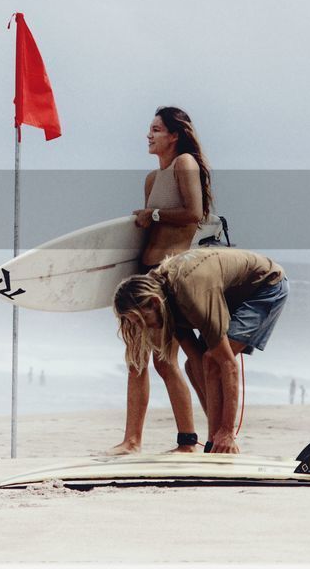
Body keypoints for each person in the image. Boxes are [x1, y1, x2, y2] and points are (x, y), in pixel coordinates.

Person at [108, 107, 214, 455]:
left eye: (155, 129)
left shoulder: (185, 163)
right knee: (136, 357)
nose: (148, 135)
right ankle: (132, 440)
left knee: (164, 360)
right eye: (149, 129)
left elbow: (194, 214)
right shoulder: (152, 179)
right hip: (144, 272)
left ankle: (188, 441)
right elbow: (146, 228)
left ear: (174, 134)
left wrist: (151, 214)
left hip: (167, 277)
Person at [113, 246, 288, 454]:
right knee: (194, 364)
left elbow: (229, 365)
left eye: (144, 320)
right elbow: (197, 359)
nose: (145, 328)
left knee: (214, 359)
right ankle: (214, 442)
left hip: (265, 286)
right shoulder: (161, 294)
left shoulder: (190, 294)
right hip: (228, 289)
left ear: (153, 303)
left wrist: (226, 431)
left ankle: (224, 438)